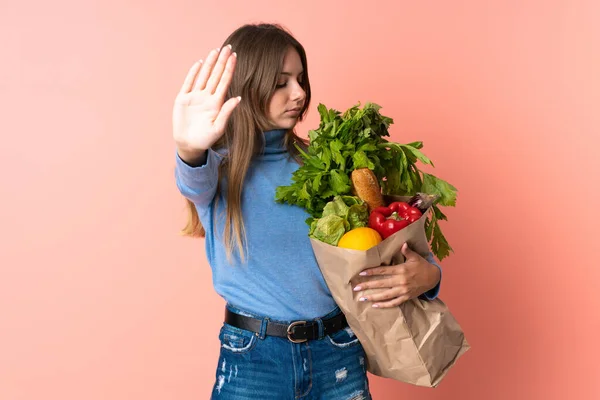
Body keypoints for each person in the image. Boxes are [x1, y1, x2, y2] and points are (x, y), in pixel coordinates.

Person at [172, 23, 442, 400]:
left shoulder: (331, 166)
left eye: (301, 79)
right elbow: (191, 179)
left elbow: (391, 249)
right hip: (253, 360)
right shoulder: (218, 170)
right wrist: (188, 149)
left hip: (338, 353)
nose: (299, 93)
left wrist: (428, 276)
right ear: (248, 85)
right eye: (281, 82)